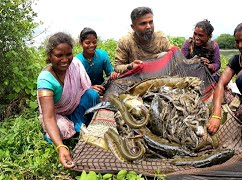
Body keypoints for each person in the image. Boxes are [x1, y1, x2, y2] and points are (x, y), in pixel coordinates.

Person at [37, 32, 100, 168]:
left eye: (68, 54)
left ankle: (77, 123)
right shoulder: (46, 79)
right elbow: (48, 117)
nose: (65, 60)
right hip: (56, 114)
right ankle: (53, 135)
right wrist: (60, 146)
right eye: (59, 55)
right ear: (49, 56)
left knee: (92, 95)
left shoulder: (75, 64)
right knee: (62, 129)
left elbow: (85, 88)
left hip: (73, 106)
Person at [207, 22, 242, 134]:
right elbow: (221, 84)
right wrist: (216, 114)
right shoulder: (236, 60)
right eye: (237, 42)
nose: (240, 45)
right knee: (217, 93)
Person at [114, 6, 171, 74]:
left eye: (151, 22)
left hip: (160, 73)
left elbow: (173, 57)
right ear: (133, 27)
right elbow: (117, 67)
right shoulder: (125, 41)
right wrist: (131, 66)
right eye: (143, 23)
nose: (148, 26)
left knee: (165, 55)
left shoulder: (161, 37)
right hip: (137, 76)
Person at [76, 27, 119, 95]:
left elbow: (110, 73)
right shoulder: (77, 61)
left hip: (103, 88)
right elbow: (76, 85)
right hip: (86, 91)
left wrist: (113, 74)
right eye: (87, 43)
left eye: (94, 42)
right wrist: (90, 88)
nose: (92, 45)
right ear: (81, 43)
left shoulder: (102, 55)